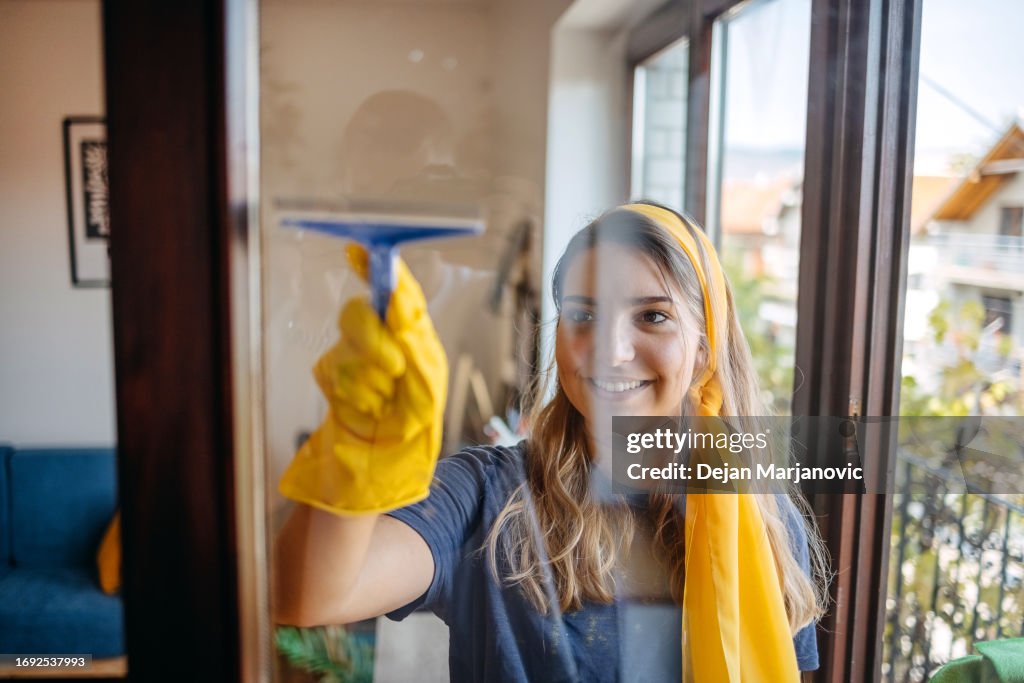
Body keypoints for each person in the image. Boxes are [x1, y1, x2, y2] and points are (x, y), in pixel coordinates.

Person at [273, 201, 830, 682]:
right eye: (584, 313)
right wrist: (354, 443)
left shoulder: (760, 518)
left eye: (653, 317)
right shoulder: (487, 495)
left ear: (705, 353)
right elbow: (307, 595)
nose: (610, 350)